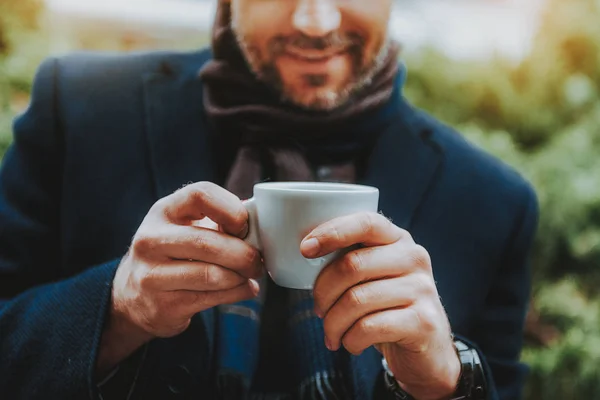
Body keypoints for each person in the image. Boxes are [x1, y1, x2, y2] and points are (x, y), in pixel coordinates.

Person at [0, 0, 538, 399]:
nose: (316, 23)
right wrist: (116, 310)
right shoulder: (77, 109)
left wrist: (448, 378)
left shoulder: (494, 201)